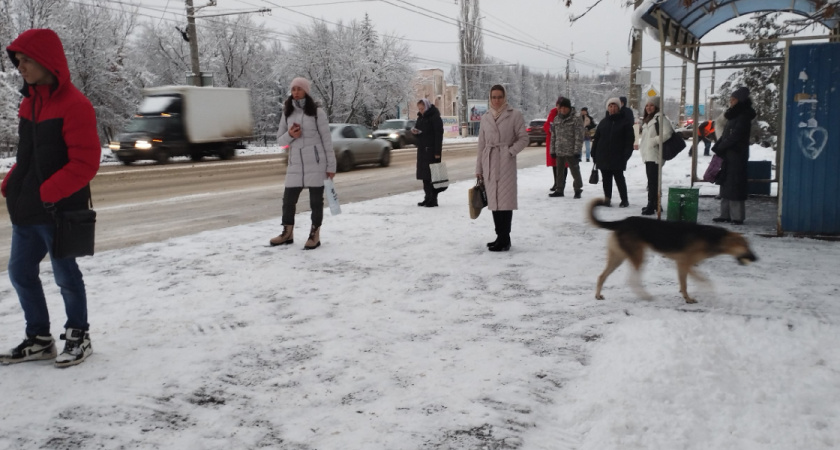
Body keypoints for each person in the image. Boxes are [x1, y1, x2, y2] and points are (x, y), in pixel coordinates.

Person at [0, 29, 100, 367]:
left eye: (27, 60)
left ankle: (78, 335)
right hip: (27, 209)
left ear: (47, 62)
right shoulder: (29, 102)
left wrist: (47, 194)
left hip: (59, 210)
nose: (21, 67)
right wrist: (12, 181)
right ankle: (39, 339)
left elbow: (85, 163)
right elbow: (29, 155)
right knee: (20, 273)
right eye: (18, 61)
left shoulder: (76, 105)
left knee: (65, 276)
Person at [269, 77, 336, 249]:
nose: (296, 92)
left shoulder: (317, 113)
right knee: (288, 200)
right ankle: (287, 232)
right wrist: (291, 135)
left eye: (299, 89)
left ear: (306, 91)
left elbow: (327, 141)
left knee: (315, 202)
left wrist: (331, 166)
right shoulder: (287, 113)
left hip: (316, 162)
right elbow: (280, 142)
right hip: (295, 164)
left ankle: (314, 234)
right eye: (293, 89)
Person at [476, 84, 529, 252]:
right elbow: (481, 144)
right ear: (490, 98)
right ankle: (499, 236)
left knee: (505, 202)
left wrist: (510, 152)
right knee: (494, 202)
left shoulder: (514, 115)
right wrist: (479, 168)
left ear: (504, 97)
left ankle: (505, 239)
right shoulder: (485, 117)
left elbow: (523, 138)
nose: (496, 100)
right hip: (489, 161)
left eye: (499, 97)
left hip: (505, 163)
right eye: (493, 97)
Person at [712, 87, 756, 225]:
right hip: (729, 154)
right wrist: (719, 146)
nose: (731, 102)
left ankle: (737, 216)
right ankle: (725, 214)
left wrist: (722, 145)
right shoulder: (733, 114)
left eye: (734, 99)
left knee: (735, 184)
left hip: (737, 154)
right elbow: (726, 134)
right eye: (730, 99)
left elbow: (735, 136)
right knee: (725, 183)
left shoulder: (743, 116)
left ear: (741, 100)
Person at [591, 97, 635, 207]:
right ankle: (607, 199)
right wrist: (594, 152)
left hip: (618, 156)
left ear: (619, 107)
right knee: (606, 179)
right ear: (608, 108)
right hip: (603, 155)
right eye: (610, 106)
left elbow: (629, 140)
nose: (612, 108)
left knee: (619, 178)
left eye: (615, 106)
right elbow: (597, 138)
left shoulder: (625, 122)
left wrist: (626, 155)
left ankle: (624, 200)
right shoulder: (603, 122)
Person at [635, 96, 674, 215]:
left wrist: (654, 141)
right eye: (647, 105)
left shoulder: (660, 118)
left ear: (656, 107)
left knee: (653, 182)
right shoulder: (649, 119)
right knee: (652, 182)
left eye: (651, 105)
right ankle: (656, 204)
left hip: (655, 155)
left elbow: (668, 133)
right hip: (649, 155)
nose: (649, 108)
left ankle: (651, 205)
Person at [549, 97, 584, 199]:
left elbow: (579, 136)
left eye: (565, 108)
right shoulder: (556, 119)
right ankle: (559, 189)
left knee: (575, 171)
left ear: (569, 108)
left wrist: (577, 150)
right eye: (561, 108)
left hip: (571, 150)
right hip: (559, 149)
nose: (563, 110)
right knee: (559, 171)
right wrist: (553, 150)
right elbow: (553, 136)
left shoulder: (576, 118)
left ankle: (577, 189)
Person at [413, 98, 444, 207]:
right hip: (422, 151)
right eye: (419, 109)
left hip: (431, 151)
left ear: (427, 107)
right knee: (425, 177)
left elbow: (438, 135)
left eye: (422, 108)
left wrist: (437, 152)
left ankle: (433, 199)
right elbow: (419, 131)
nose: (421, 111)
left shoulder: (435, 117)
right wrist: (415, 132)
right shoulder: (420, 118)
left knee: (432, 176)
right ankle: (427, 197)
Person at [543, 99, 559, 192]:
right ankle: (556, 183)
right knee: (555, 164)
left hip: (563, 143)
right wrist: (549, 129)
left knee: (563, 164)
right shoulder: (553, 113)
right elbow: (547, 125)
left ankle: (560, 183)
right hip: (552, 141)